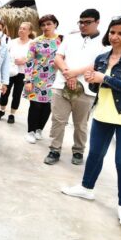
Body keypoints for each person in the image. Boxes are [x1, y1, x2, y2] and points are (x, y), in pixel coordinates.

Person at [61, 16, 121, 228]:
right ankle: (86, 188)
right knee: (95, 154)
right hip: (102, 114)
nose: (115, 37)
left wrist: (104, 79)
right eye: (112, 32)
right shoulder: (102, 58)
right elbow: (96, 89)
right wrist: (92, 80)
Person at [45, 9, 107, 166]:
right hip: (61, 85)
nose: (83, 25)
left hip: (86, 89)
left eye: (88, 22)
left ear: (97, 22)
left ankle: (78, 151)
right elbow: (58, 57)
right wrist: (67, 73)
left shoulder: (104, 43)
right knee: (58, 120)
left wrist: (74, 74)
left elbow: (98, 64)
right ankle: (54, 149)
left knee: (80, 124)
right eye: (81, 22)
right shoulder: (70, 38)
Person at [24, 14, 62, 144]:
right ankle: (31, 131)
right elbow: (29, 61)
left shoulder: (62, 41)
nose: (46, 27)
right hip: (36, 77)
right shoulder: (35, 41)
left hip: (55, 79)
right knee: (35, 106)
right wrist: (28, 80)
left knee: (48, 107)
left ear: (55, 24)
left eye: (49, 24)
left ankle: (39, 129)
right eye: (43, 25)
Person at [0, 21, 34, 124]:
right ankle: (2, 110)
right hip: (10, 71)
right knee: (4, 92)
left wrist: (25, 60)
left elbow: (35, 58)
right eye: (20, 28)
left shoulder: (32, 43)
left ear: (29, 31)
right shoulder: (12, 42)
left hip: (22, 73)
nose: (21, 30)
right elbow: (5, 54)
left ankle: (12, 114)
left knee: (17, 94)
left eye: (24, 29)